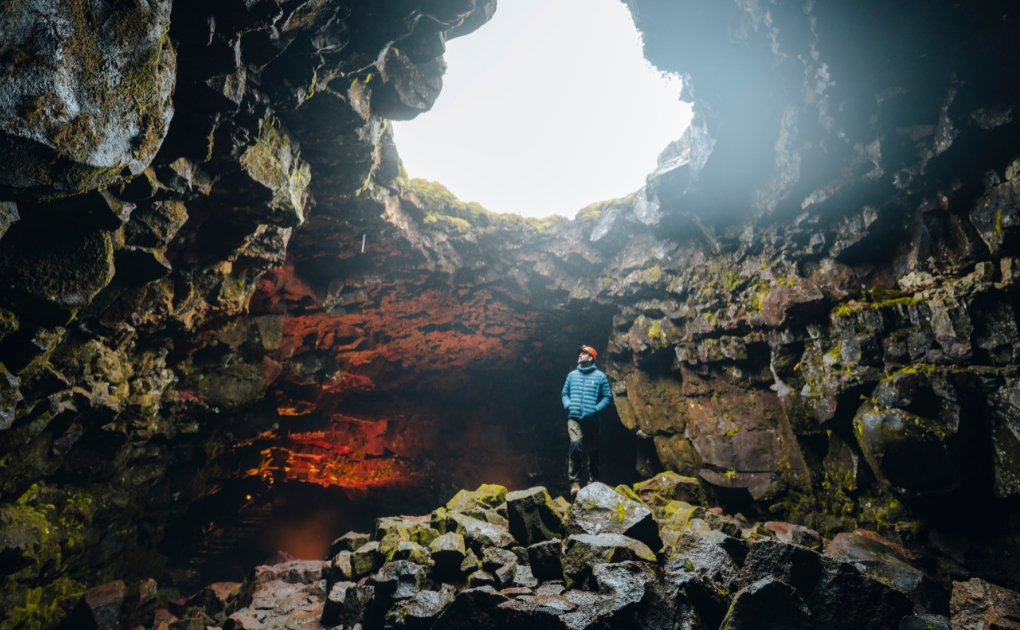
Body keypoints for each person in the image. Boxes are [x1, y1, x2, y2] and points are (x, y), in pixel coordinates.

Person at [561, 345, 613, 496]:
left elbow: (608, 397)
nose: (580, 355)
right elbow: (564, 393)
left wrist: (596, 410)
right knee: (576, 445)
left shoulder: (600, 377)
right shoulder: (572, 375)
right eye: (580, 353)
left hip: (592, 420)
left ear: (590, 358)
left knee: (593, 451)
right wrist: (569, 405)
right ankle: (575, 483)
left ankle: (593, 481)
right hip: (574, 418)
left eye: (583, 353)